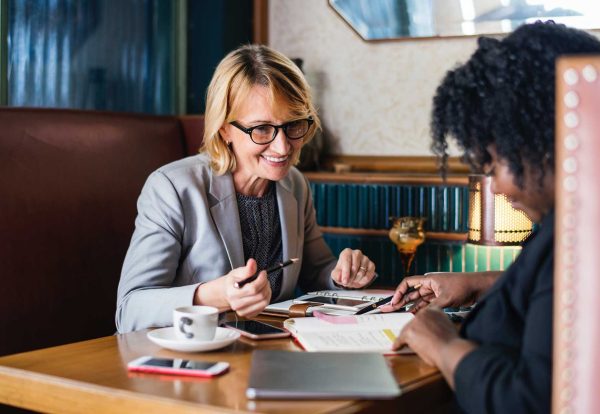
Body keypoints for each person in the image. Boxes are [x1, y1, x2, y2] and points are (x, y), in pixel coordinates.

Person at [380, 22, 600, 413]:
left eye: (495, 163)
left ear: (542, 143)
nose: (495, 187)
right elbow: (557, 295)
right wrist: (477, 283)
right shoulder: (566, 228)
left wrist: (444, 345)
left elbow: (526, 402)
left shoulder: (579, 239)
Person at [116, 44, 377, 333]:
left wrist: (344, 274)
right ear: (224, 128)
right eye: (262, 129)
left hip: (271, 357)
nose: (282, 147)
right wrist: (215, 296)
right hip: (190, 362)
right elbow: (130, 310)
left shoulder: (294, 184)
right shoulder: (172, 188)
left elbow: (317, 272)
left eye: (293, 125)